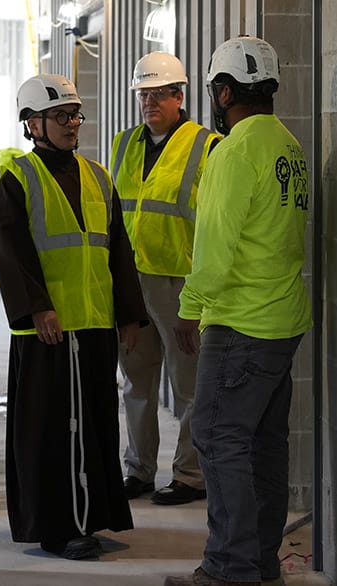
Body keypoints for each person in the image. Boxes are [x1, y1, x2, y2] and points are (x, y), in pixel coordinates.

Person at [165, 36, 312, 586]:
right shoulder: (288, 147)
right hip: (282, 321)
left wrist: (187, 309)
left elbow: (214, 250)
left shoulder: (233, 152)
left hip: (241, 324)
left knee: (218, 437)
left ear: (224, 91)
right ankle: (260, 561)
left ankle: (229, 569)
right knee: (264, 445)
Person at [0, 73, 147, 561]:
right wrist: (38, 307)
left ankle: (91, 516)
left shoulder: (99, 177)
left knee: (96, 423)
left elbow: (117, 250)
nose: (71, 124)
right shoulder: (16, 180)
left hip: (95, 323)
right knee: (55, 429)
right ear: (32, 124)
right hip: (50, 330)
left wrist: (128, 315)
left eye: (75, 115)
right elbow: (12, 252)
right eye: (61, 116)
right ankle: (58, 526)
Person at [111, 51, 219, 506]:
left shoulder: (207, 146)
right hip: (132, 280)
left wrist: (199, 296)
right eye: (144, 94)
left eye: (159, 94)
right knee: (135, 380)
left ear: (180, 96)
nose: (149, 102)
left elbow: (214, 222)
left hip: (179, 283)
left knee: (188, 384)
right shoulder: (123, 144)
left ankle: (190, 476)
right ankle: (138, 469)